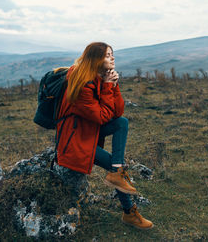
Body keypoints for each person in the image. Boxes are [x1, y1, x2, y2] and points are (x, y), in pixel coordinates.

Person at [55, 42, 153, 229]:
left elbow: (117, 113)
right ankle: (129, 212)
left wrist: (113, 86)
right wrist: (108, 86)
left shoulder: (98, 77)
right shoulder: (82, 83)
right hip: (75, 141)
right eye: (108, 55)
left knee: (121, 122)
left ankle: (117, 172)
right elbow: (101, 117)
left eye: (112, 54)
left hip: (88, 132)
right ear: (97, 59)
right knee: (111, 165)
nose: (113, 58)